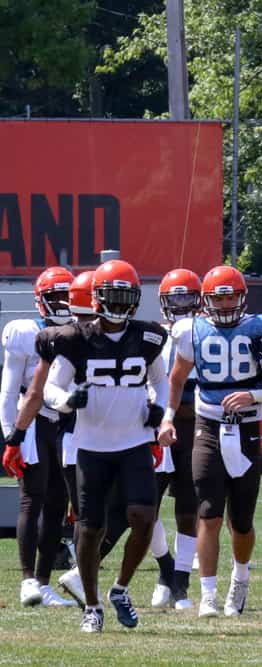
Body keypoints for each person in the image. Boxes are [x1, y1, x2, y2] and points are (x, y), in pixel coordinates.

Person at [43, 260, 170, 633]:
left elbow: (160, 381)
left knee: (144, 517)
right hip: (92, 444)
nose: (116, 304)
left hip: (134, 441)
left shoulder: (147, 338)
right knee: (90, 526)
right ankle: (93, 606)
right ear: (97, 297)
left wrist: (160, 409)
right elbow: (51, 389)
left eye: (123, 296)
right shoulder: (76, 338)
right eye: (110, 295)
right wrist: (68, 400)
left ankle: (120, 589)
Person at [158, 265, 262, 619]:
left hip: (246, 430)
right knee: (209, 513)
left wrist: (254, 395)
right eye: (219, 297)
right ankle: (209, 595)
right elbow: (176, 378)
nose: (227, 303)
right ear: (207, 300)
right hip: (209, 427)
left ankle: (240, 578)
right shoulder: (190, 330)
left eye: (231, 296)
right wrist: (168, 418)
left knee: (241, 521)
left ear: (242, 296)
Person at [1, 266, 76, 608]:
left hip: (64, 422)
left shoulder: (81, 330)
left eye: (67, 295)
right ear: (40, 301)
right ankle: (27, 580)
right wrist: (10, 435)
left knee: (59, 503)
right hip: (31, 421)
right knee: (33, 498)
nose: (62, 302)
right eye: (55, 296)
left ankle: (44, 582)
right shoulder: (24, 331)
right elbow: (7, 388)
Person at [149, 268, 203, 610]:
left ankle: (180, 581)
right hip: (157, 427)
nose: (181, 304)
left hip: (194, 426)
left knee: (189, 506)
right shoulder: (152, 335)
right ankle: (165, 568)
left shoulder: (204, 333)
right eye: (175, 298)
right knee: (143, 506)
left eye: (186, 297)